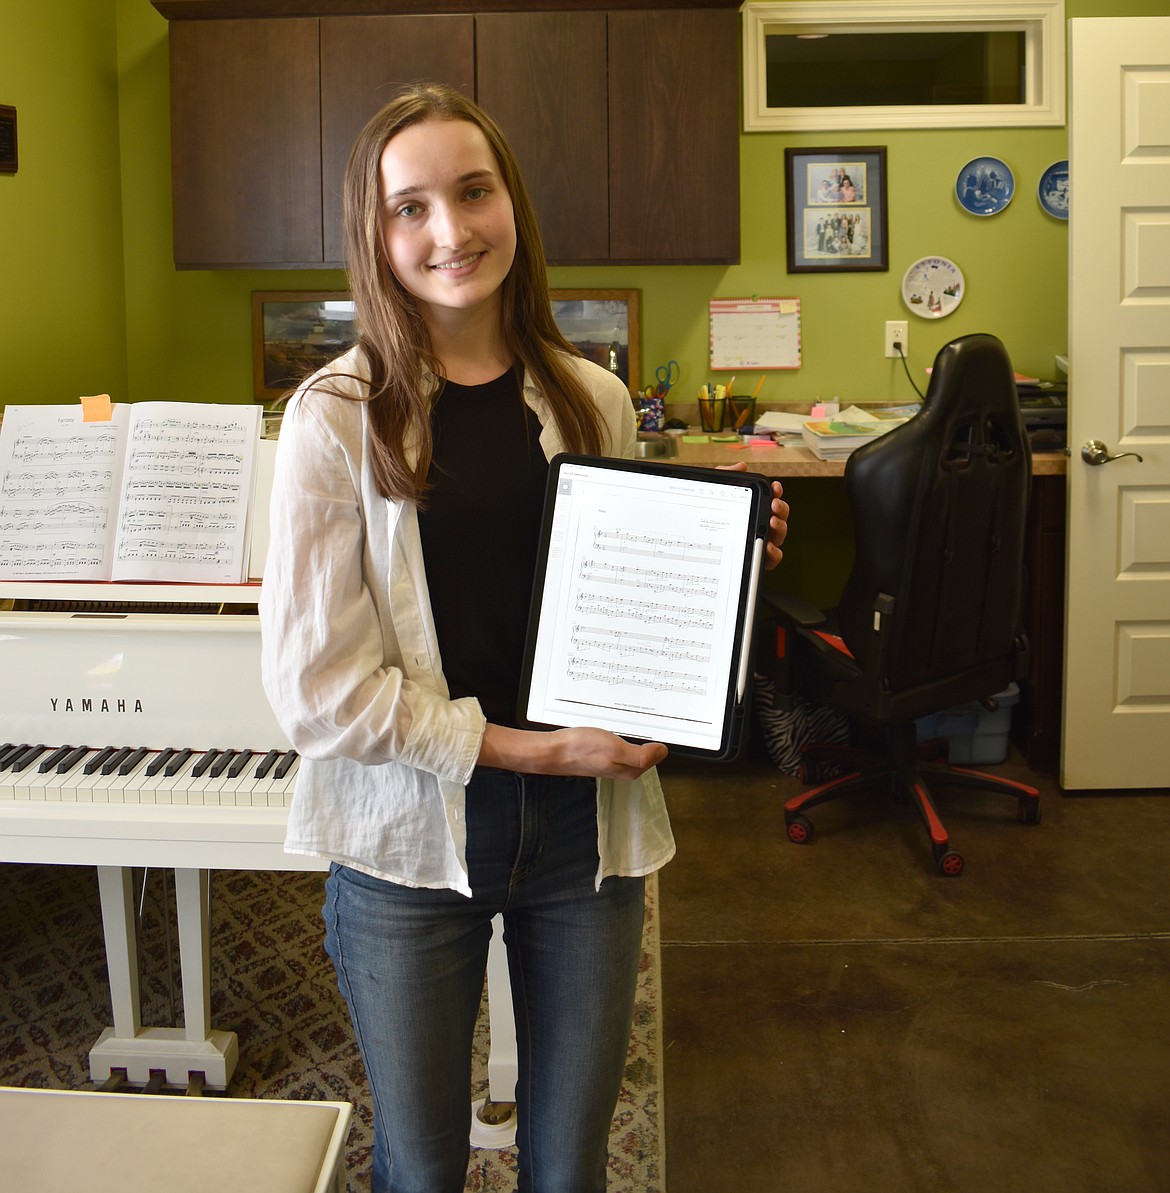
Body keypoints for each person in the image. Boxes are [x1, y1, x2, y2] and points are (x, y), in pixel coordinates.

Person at [260, 82, 789, 1193]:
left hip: (580, 840)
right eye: (410, 206)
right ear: (375, 229)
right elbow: (319, 693)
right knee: (422, 1164)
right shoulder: (333, 416)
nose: (450, 230)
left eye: (473, 190)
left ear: (512, 204)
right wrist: (534, 747)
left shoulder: (593, 397)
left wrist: (723, 568)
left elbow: (626, 605)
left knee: (569, 1166)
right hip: (407, 844)